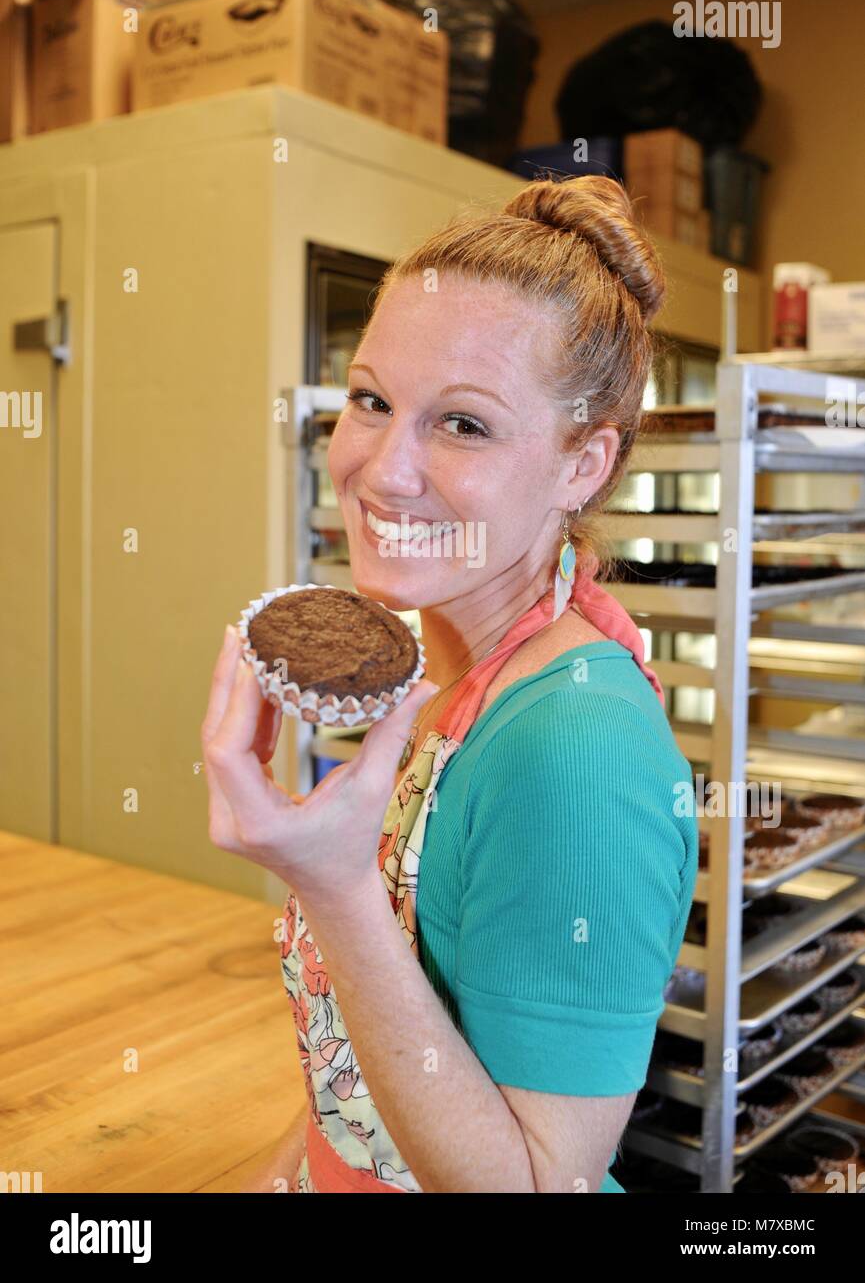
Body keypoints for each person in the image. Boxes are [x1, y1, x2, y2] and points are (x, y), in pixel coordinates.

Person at [202, 173, 699, 1193]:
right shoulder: (443, 670)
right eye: (373, 400)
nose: (382, 470)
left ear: (582, 466)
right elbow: (362, 1090)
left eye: (463, 424)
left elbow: (539, 1185)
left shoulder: (572, 749)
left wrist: (333, 885)